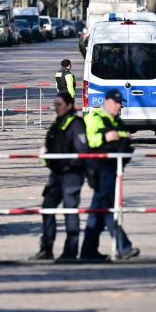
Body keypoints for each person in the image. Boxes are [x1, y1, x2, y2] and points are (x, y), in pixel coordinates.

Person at [79, 89, 140, 260]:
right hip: (99, 169)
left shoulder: (116, 120)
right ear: (107, 102)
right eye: (116, 103)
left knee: (97, 212)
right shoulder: (94, 117)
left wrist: (117, 135)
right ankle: (124, 247)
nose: (118, 107)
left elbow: (126, 138)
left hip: (113, 169)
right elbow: (90, 140)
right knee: (107, 209)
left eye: (120, 104)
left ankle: (87, 252)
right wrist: (106, 137)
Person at [30, 92, 88, 261]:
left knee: (70, 212)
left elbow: (83, 151)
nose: (56, 108)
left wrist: (68, 164)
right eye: (55, 105)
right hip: (56, 175)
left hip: (71, 175)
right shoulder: (58, 123)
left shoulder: (76, 124)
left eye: (59, 104)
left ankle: (70, 252)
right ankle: (46, 248)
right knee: (47, 208)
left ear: (69, 105)